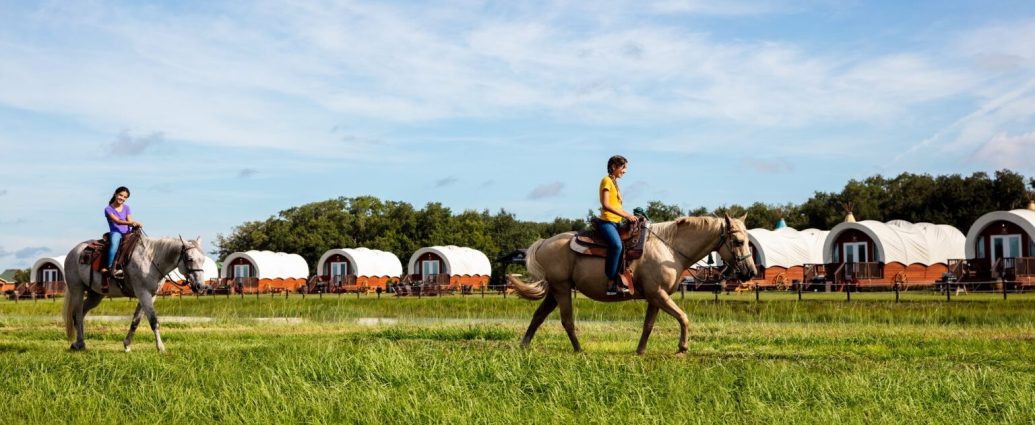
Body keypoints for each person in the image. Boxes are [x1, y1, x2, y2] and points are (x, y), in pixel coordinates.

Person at [598, 155, 638, 296]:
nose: (625, 171)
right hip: (606, 222)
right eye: (623, 167)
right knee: (617, 245)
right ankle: (611, 283)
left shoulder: (615, 183)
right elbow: (606, 204)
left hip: (616, 222)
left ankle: (624, 278)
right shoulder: (606, 181)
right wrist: (626, 215)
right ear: (614, 166)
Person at [102, 186, 142, 278]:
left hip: (128, 232)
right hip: (116, 232)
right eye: (120, 195)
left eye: (125, 197)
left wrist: (135, 225)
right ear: (115, 193)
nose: (122, 198)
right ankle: (111, 267)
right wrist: (132, 222)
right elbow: (117, 221)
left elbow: (129, 220)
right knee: (114, 244)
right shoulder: (108, 209)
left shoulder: (127, 208)